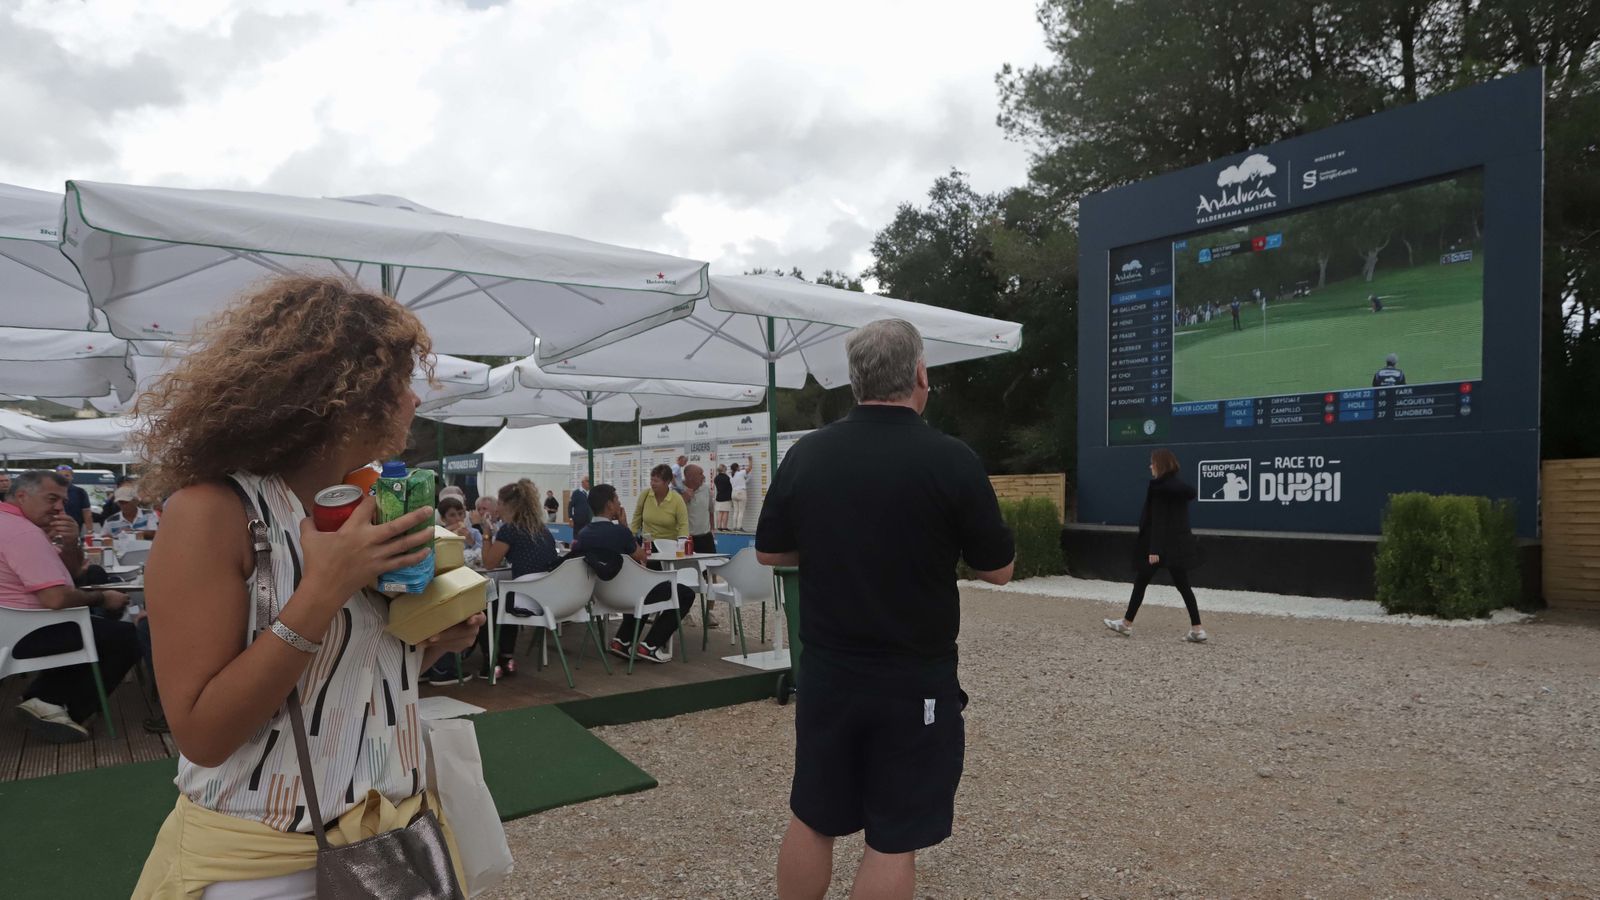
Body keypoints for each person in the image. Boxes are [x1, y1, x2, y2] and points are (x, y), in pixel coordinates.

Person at [131, 275, 481, 897]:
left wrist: (430, 646)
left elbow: (333, 693)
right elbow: (203, 734)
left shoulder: (367, 503)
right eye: (399, 383)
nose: (413, 402)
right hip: (266, 870)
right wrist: (324, 590)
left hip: (397, 845)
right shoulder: (213, 513)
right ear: (344, 395)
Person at [757, 319, 1015, 900]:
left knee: (813, 814)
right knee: (892, 839)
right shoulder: (951, 460)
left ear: (854, 382)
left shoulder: (809, 453)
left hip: (827, 669)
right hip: (912, 677)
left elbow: (771, 550)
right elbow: (997, 569)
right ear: (921, 375)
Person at [2, 470, 139, 743]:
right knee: (124, 637)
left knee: (97, 626)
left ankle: (41, 696)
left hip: (15, 629)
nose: (59, 508)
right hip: (27, 632)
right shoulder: (22, 532)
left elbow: (73, 574)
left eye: (63, 501)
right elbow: (56, 599)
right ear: (21, 496)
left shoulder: (15, 525)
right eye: (52, 499)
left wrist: (70, 543)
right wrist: (103, 598)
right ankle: (60, 708)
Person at [573, 483, 696, 664]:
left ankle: (623, 640)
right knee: (685, 593)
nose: (619, 502)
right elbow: (641, 555)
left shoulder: (583, 534)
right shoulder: (619, 533)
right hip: (630, 596)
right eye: (616, 499)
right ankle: (651, 645)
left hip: (601, 596)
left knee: (641, 589)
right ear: (609, 505)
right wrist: (624, 525)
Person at [1104, 448, 1208, 643]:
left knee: (1141, 582)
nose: (1149, 466)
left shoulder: (1159, 488)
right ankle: (1197, 629)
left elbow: (1159, 521)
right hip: (1178, 546)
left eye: (1152, 462)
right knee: (1184, 586)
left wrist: (1154, 550)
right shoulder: (1179, 488)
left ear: (1159, 465)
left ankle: (1126, 624)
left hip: (1160, 547)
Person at [466, 479, 560, 680]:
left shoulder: (511, 530)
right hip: (548, 598)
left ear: (509, 505)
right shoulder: (541, 529)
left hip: (525, 599)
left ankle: (490, 660)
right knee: (501, 598)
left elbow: (490, 563)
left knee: (486, 601)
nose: (497, 507)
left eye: (499, 503)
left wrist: (486, 534)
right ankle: (507, 658)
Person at [632, 463, 689, 549]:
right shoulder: (645, 495)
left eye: (656, 481)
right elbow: (637, 517)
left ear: (667, 482)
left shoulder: (677, 499)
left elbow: (683, 524)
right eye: (651, 480)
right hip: (648, 546)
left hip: (670, 546)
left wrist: (682, 543)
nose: (652, 484)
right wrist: (632, 536)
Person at [56, 464, 95, 532]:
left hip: (73, 530)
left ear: (72, 477)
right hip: (53, 529)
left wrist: (90, 531)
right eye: (60, 476)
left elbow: (87, 513)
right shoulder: (49, 491)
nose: (63, 478)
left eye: (67, 475)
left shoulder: (80, 492)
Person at [728, 458, 751, 531]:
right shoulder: (741, 473)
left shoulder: (731, 476)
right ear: (737, 467)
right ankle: (739, 527)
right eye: (739, 467)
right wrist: (750, 461)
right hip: (741, 492)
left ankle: (734, 527)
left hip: (733, 493)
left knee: (736, 511)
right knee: (741, 511)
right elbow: (750, 468)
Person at [713, 464, 733, 530]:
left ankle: (719, 526)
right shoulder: (727, 478)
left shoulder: (716, 478)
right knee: (726, 512)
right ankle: (724, 527)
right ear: (724, 469)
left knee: (720, 512)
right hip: (726, 497)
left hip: (719, 497)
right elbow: (730, 487)